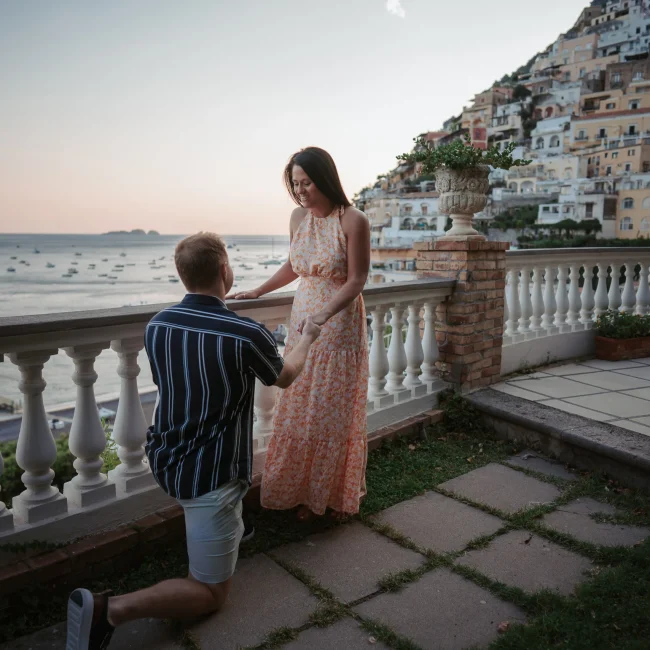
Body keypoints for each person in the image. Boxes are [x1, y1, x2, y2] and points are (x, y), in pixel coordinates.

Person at [66, 232, 321, 650]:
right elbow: (285, 376)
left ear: (182, 275)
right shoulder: (245, 333)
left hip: (165, 457)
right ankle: (108, 610)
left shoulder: (159, 325)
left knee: (222, 513)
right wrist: (307, 335)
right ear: (225, 271)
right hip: (211, 478)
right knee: (210, 595)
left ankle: (234, 528)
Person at [230, 147, 370, 521]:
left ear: (325, 179)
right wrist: (259, 291)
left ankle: (327, 496)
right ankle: (301, 490)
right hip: (302, 316)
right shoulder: (298, 218)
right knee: (299, 403)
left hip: (337, 320)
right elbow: (294, 265)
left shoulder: (353, 220)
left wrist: (324, 314)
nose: (301, 190)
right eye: (295, 183)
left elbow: (357, 279)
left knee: (329, 408)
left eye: (307, 182)